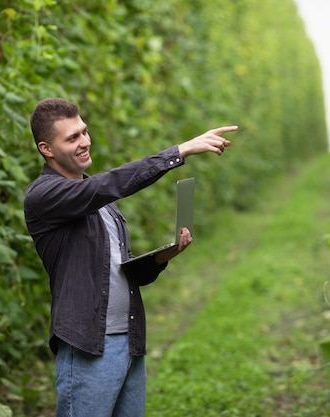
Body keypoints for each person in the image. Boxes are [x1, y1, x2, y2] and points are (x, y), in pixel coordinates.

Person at [23, 98, 236, 417]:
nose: (84, 142)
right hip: (87, 345)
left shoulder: (104, 204)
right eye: (72, 138)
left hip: (130, 339)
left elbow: (120, 273)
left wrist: (162, 258)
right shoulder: (44, 196)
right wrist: (178, 152)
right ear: (47, 149)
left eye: (84, 131)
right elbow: (108, 185)